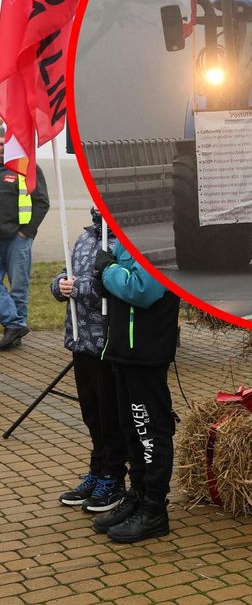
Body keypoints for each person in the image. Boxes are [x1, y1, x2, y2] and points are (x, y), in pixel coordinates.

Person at [89, 242, 180, 543]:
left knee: (149, 428)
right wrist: (104, 280)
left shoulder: (156, 245)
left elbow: (142, 289)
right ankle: (138, 495)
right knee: (130, 427)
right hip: (123, 350)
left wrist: (108, 270)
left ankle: (155, 508)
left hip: (146, 351)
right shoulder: (122, 243)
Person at [52, 209, 127, 513]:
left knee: (110, 415)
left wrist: (78, 287)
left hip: (105, 343)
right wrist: (59, 285)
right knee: (91, 413)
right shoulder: (84, 237)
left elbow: (111, 284)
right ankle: (97, 471)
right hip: (80, 341)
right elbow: (65, 273)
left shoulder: (120, 241)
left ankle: (113, 477)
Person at [0, 143, 50, 350]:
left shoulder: (27, 167)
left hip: (18, 238)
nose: (0, 148)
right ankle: (15, 324)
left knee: (19, 287)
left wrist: (26, 232)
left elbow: (42, 202)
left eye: (3, 144)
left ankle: (14, 335)